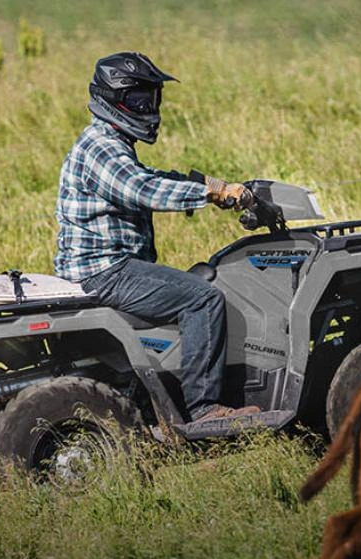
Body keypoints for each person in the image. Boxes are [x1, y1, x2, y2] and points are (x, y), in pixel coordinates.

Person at [54, 51, 258, 423]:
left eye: (151, 98)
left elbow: (156, 175)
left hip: (109, 268)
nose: (148, 106)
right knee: (203, 299)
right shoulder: (101, 146)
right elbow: (142, 189)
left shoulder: (110, 142)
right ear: (113, 99)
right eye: (138, 99)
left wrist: (218, 185)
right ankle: (204, 409)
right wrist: (213, 194)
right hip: (106, 273)